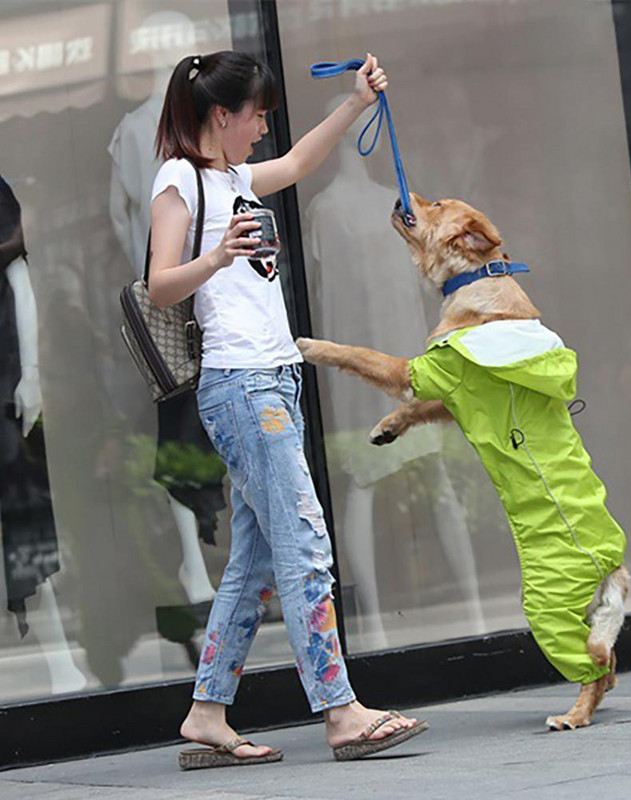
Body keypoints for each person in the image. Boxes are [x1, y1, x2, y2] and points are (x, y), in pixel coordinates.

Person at [147, 50, 427, 767]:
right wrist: (214, 259)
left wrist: (357, 102)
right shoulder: (180, 180)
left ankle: (208, 713)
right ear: (221, 115)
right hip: (241, 385)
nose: (265, 125)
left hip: (274, 381)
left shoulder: (236, 177)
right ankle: (341, 712)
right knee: (303, 542)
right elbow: (159, 286)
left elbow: (300, 161)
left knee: (259, 559)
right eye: (257, 112)